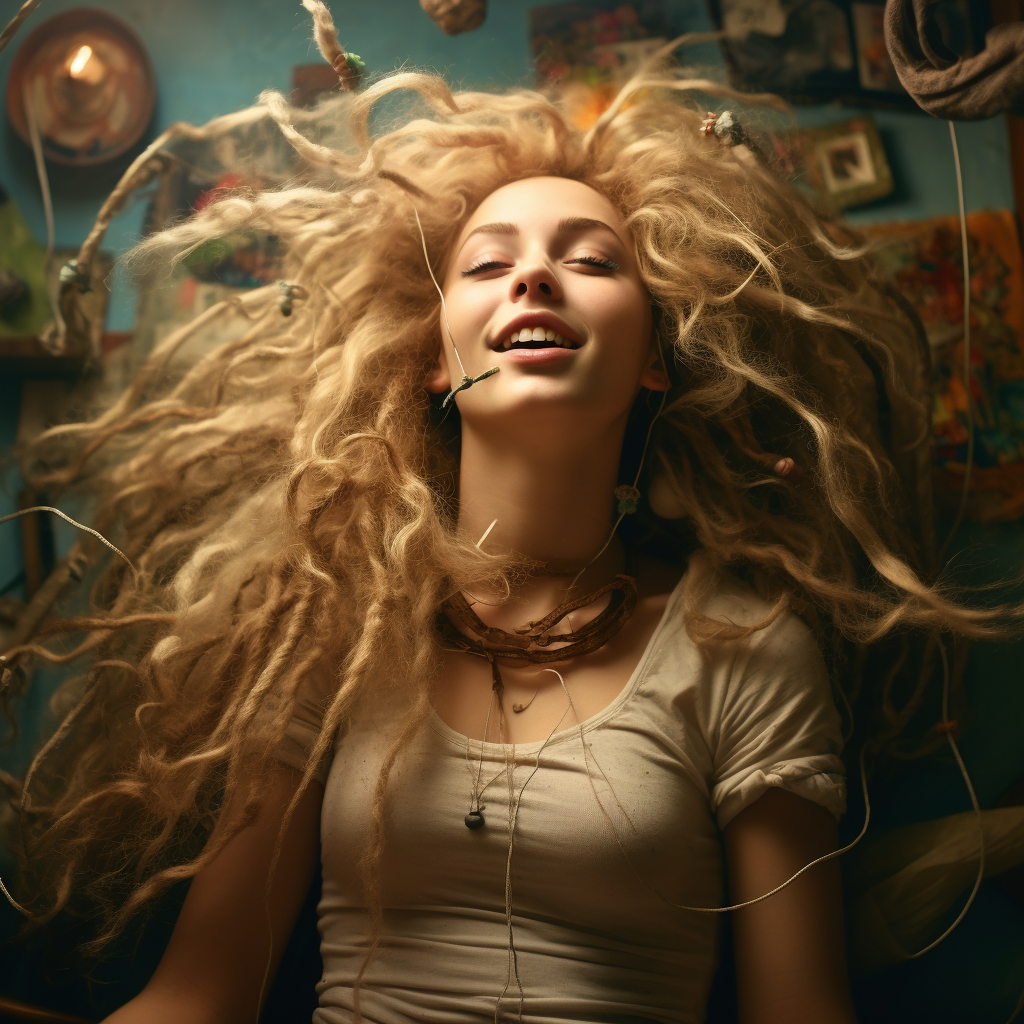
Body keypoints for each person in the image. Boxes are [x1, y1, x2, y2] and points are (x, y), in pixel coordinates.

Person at [1, 5, 1003, 1023]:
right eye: (487, 263)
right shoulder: (331, 628)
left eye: (592, 260)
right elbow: (199, 993)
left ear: (654, 357)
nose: (533, 274)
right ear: (433, 358)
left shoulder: (742, 645)